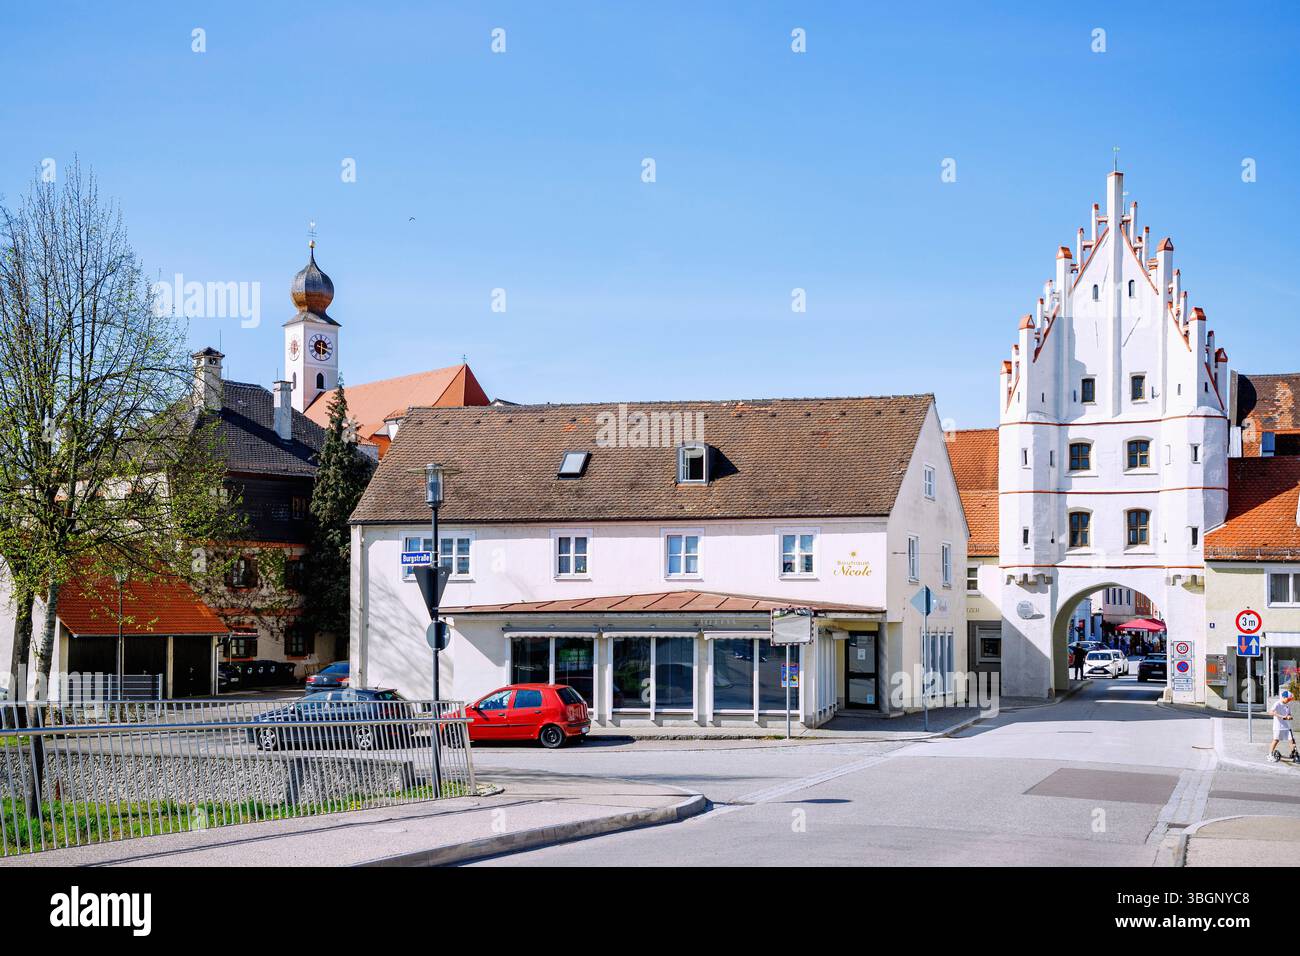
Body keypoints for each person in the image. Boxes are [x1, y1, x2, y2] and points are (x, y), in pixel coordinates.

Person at [1269, 688, 1299, 763]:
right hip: (1278, 726)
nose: (1289, 700)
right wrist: (1281, 716)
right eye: (1288, 699)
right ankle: (1270, 754)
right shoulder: (1277, 704)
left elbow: (1288, 714)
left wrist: (1289, 716)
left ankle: (1295, 754)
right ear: (1284, 697)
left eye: (1290, 699)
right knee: (1276, 740)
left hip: (1287, 726)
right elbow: (1270, 712)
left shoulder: (1287, 705)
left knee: (1291, 740)